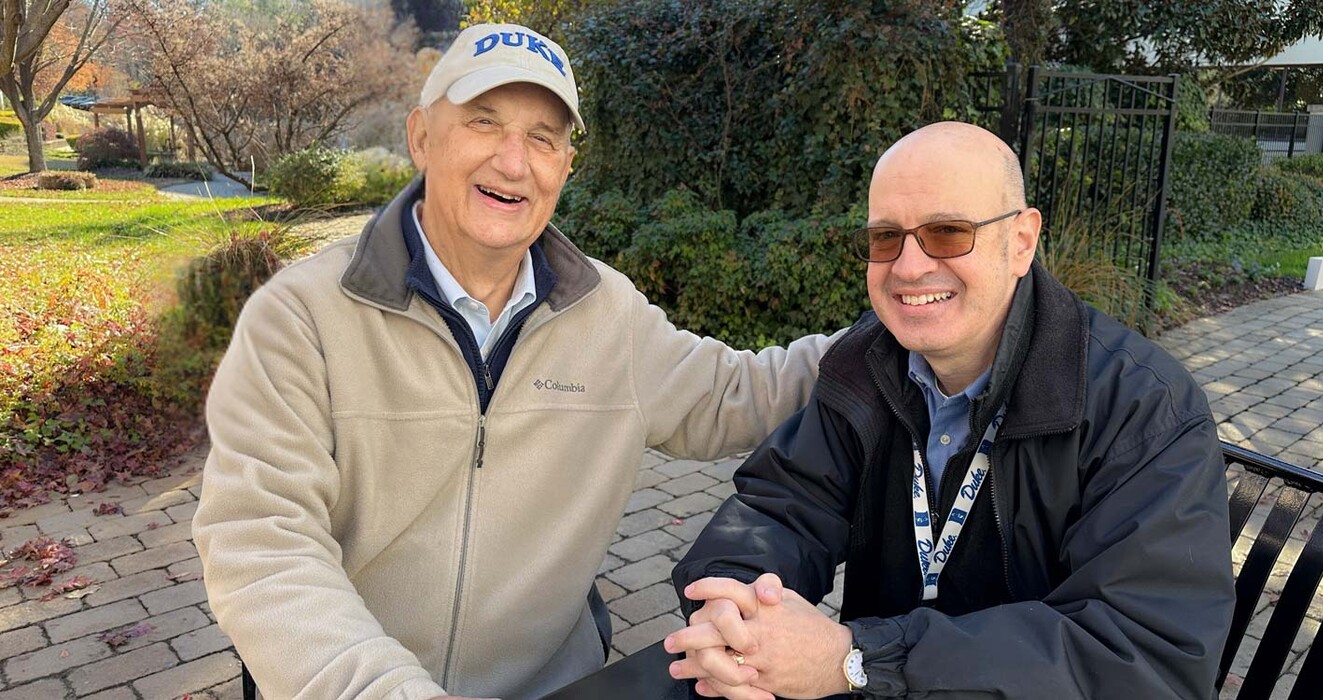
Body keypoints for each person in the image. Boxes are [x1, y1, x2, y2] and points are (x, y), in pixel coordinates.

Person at [192, 23, 835, 700]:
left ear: (565, 166)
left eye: (542, 138)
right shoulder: (302, 315)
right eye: (484, 122)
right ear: (421, 137)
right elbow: (262, 541)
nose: (512, 160)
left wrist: (891, 326)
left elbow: (740, 394)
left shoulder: (608, 313)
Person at [666, 122, 1236, 699]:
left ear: (1021, 242)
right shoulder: (868, 360)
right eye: (886, 237)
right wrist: (732, 600)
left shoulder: (1144, 410)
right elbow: (784, 504)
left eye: (947, 232)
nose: (908, 267)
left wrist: (858, 660)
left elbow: (1144, 661)